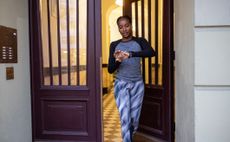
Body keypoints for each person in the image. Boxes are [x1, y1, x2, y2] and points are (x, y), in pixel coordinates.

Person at [107, 15, 155, 142]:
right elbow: (110, 69)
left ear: (131, 25)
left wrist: (131, 54)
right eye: (121, 27)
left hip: (137, 84)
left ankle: (130, 137)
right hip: (121, 84)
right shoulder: (114, 45)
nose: (124, 29)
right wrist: (118, 60)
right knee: (125, 118)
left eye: (127, 26)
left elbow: (151, 52)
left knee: (134, 120)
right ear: (118, 29)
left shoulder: (140, 41)